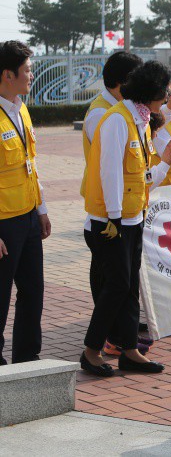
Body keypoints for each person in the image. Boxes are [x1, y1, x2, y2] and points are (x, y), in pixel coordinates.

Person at [81, 60, 171, 377]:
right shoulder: (117, 119)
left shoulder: (140, 120)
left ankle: (129, 350)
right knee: (117, 286)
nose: (168, 97)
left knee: (130, 286)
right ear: (150, 91)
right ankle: (91, 350)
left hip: (133, 218)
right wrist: (114, 219)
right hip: (111, 222)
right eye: (165, 91)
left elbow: (140, 175)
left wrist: (165, 164)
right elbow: (109, 172)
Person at [79, 51, 153, 356]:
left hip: (129, 209)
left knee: (123, 281)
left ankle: (124, 339)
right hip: (109, 211)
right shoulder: (105, 115)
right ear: (124, 82)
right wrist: (114, 215)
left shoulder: (132, 114)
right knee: (110, 281)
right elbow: (110, 168)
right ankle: (107, 339)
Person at [0, 40, 51, 365]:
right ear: (7, 74)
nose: (31, 75)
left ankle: (27, 358)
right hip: (4, 224)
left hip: (29, 216)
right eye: (27, 70)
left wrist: (41, 210)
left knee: (33, 291)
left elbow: (30, 164)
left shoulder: (21, 109)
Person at [80, 51, 142, 198]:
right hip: (105, 197)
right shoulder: (101, 113)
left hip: (127, 193)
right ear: (122, 82)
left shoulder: (123, 107)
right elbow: (109, 163)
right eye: (138, 81)